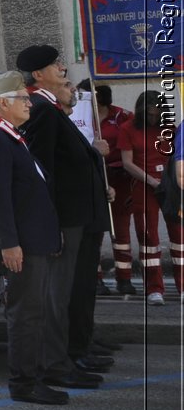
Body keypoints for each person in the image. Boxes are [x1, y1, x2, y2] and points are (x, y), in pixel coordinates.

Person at [16, 45, 112, 387]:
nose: (63, 68)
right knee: (58, 296)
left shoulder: (51, 108)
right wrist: (51, 222)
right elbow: (44, 172)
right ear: (38, 74)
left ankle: (68, 357)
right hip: (64, 219)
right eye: (55, 65)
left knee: (70, 291)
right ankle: (57, 363)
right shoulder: (41, 109)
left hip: (77, 216)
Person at [0, 72, 69, 406]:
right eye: (23, 98)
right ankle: (25, 382)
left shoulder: (9, 133)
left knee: (35, 312)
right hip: (22, 243)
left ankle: (35, 374)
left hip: (34, 238)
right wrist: (9, 243)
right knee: (25, 314)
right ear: (2, 103)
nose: (30, 103)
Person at [117, 90, 182, 304]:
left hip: (170, 187)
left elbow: (177, 156)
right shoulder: (127, 128)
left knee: (179, 238)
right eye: (150, 114)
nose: (153, 118)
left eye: (157, 114)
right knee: (149, 239)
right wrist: (152, 181)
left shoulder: (169, 128)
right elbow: (127, 163)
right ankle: (154, 289)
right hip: (144, 187)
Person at [88, 84, 137, 295]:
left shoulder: (123, 117)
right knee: (94, 231)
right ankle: (95, 280)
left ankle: (124, 278)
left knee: (120, 230)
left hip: (119, 177)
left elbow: (134, 144)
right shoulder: (78, 117)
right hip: (92, 178)